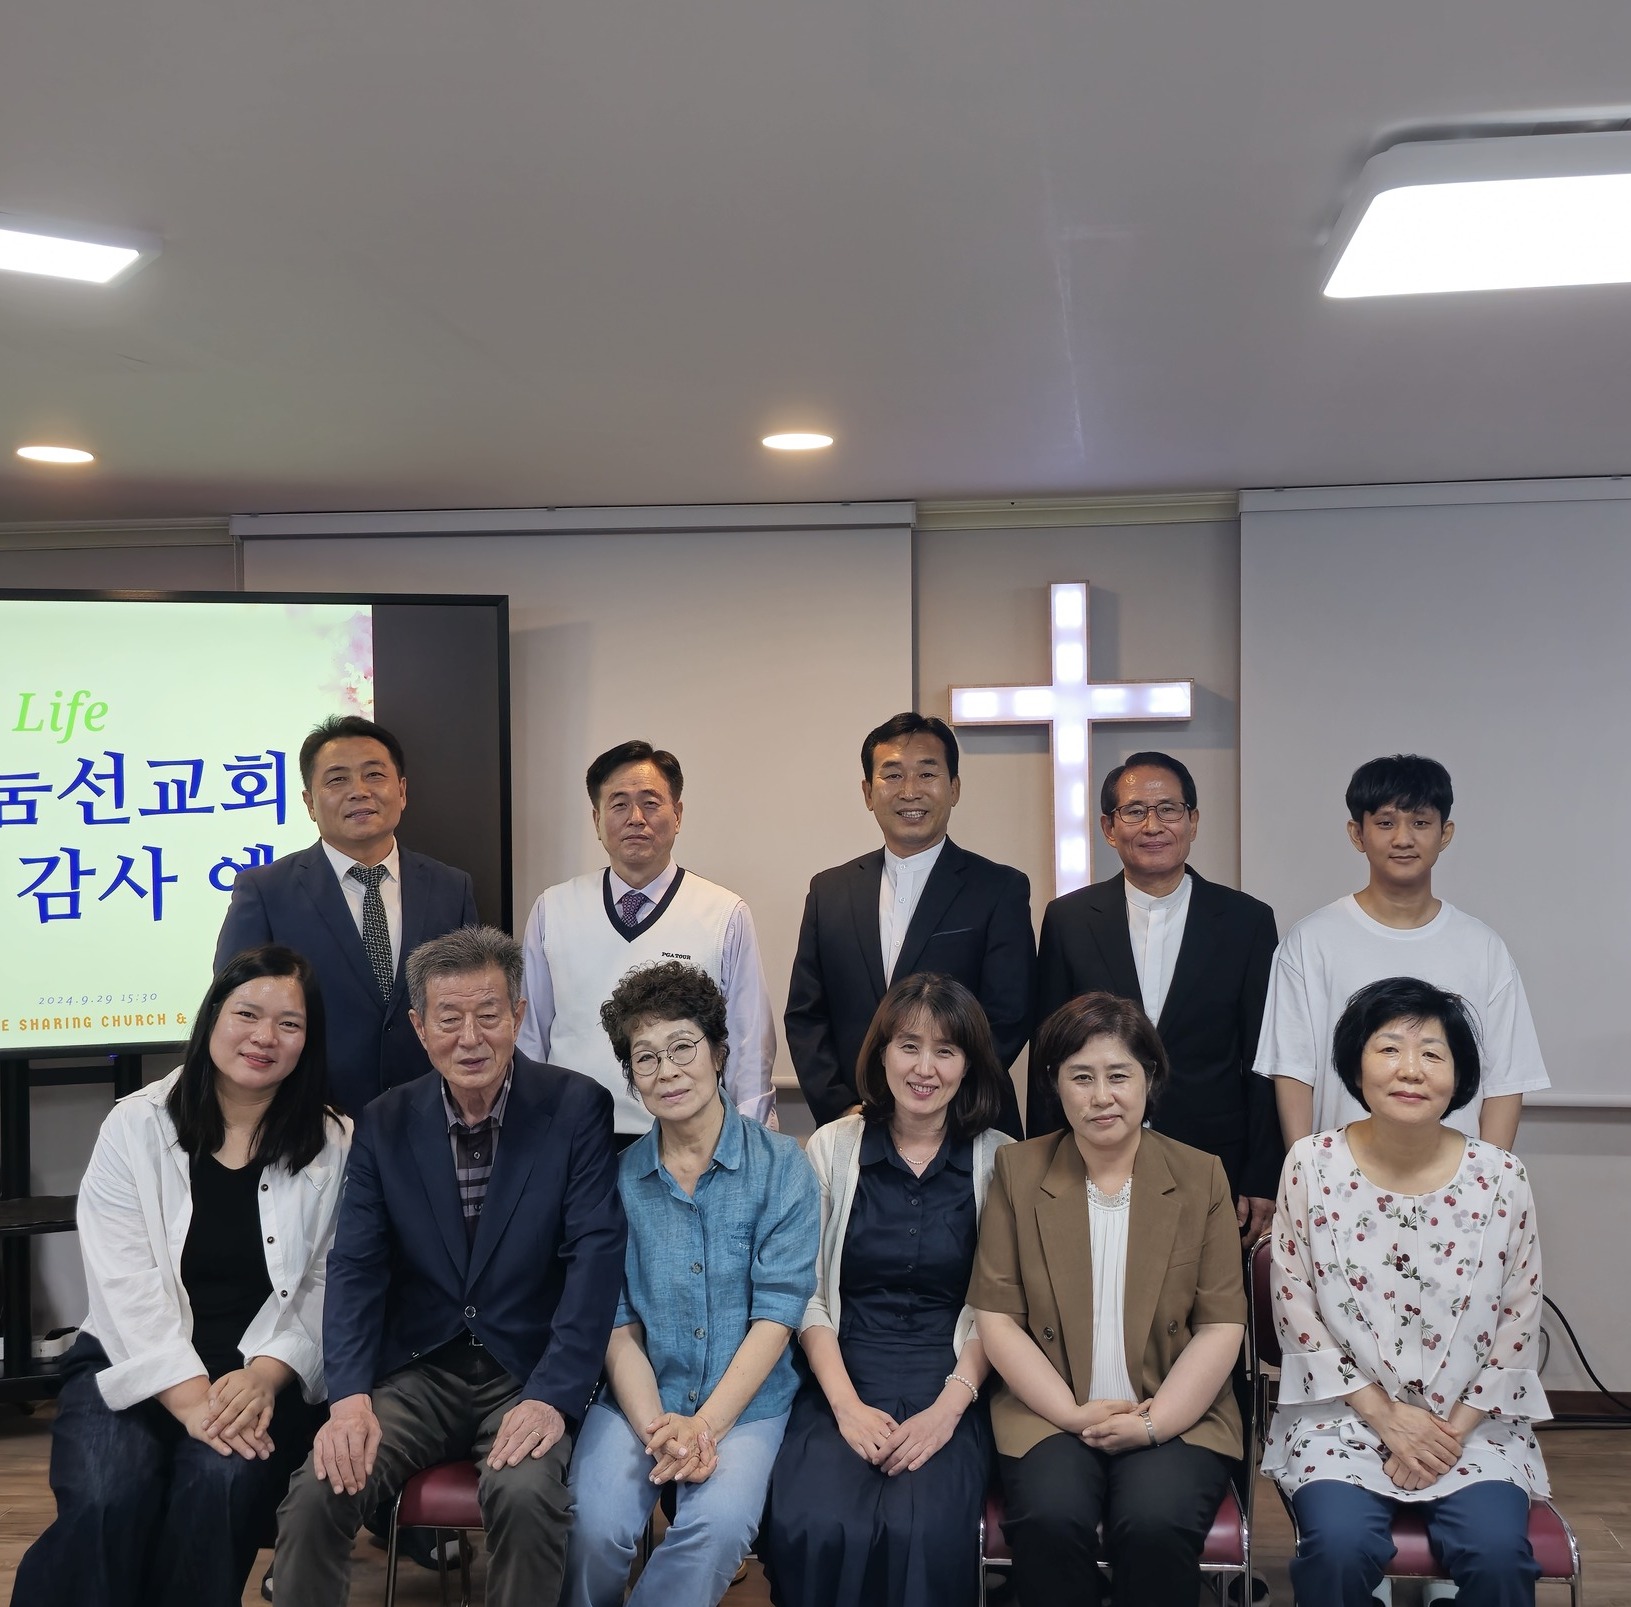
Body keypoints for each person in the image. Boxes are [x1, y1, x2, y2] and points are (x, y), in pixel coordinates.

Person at [273, 925, 627, 1607]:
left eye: (489, 1014)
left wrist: (554, 1394)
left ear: (518, 1014)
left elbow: (594, 1259)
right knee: (319, 1489)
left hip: (527, 1369)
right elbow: (356, 1267)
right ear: (418, 1026)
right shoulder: (384, 1121)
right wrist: (349, 1396)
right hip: (420, 1371)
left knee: (525, 1495)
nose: (471, 1038)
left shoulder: (575, 1107)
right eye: (448, 1018)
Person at [13, 946, 350, 1607]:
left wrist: (266, 1375)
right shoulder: (135, 1124)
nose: (264, 1036)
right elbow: (124, 1282)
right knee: (107, 1494)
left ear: (308, 1041)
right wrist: (192, 1402)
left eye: (289, 1023)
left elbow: (327, 1283)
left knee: (219, 1485)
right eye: (246, 1014)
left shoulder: (332, 1142)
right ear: (212, 1016)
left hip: (251, 1378)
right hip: (131, 1358)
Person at [1262, 976, 1551, 1607]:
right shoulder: (1310, 1164)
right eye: (1389, 1049)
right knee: (1336, 1551)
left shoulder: (1501, 1176)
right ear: (1355, 1065)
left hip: (1471, 1426)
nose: (1410, 1070)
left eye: (1432, 1054)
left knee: (1499, 1556)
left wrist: (1448, 1433)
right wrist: (1387, 1418)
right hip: (1344, 1419)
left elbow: (1519, 1319)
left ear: (1459, 1074)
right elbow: (1295, 1308)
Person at [970, 992, 1244, 1607]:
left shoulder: (1201, 1176)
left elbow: (1221, 1325)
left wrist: (1154, 1423)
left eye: (1119, 1076)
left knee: (1154, 1523)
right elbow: (998, 1318)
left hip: (1174, 1410)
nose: (1101, 1097)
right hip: (1049, 1409)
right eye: (1081, 1077)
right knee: (1050, 1518)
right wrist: (1071, 1415)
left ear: (1150, 1078)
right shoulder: (1018, 1171)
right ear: (1054, 1083)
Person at [563, 963, 819, 1606]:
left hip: (748, 1403)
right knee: (592, 1528)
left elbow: (777, 1316)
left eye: (682, 1047)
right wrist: (658, 1427)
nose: (668, 1071)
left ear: (718, 1052)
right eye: (645, 1058)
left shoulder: (782, 1166)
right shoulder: (615, 1180)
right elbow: (616, 1323)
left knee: (717, 1529)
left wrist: (703, 1427)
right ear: (632, 1078)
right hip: (641, 1397)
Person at [762, 973, 1013, 1607]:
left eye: (945, 1051)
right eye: (908, 1046)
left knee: (921, 1531)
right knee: (815, 1522)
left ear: (969, 1066)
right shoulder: (831, 1148)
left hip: (953, 1378)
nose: (924, 1068)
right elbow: (806, 1291)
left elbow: (999, 1307)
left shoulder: (1000, 1160)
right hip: (841, 1370)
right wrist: (845, 1405)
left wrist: (947, 1411)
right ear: (881, 1054)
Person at [1034, 749, 1282, 1241]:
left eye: (1168, 809)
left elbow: (1262, 1057)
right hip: (1090, 1153)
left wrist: (1261, 1173)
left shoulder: (1247, 921)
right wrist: (1045, 1161)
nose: (1153, 825)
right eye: (1134, 811)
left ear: (1193, 821)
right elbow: (1048, 1052)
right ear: (1109, 828)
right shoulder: (1069, 919)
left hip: (1213, 1158)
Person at [1255, 753, 1550, 1152]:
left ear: (1445, 833)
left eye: (1421, 823)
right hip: (1340, 1175)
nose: (1403, 839)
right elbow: (1293, 1073)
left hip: (1456, 1178)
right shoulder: (1310, 941)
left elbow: (1505, 1082)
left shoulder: (1483, 947)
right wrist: (1305, 1173)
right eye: (1385, 823)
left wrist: (1488, 1177)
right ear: (1357, 834)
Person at [214, 713, 480, 1115]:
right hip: (309, 1118)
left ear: (401, 791)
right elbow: (234, 1009)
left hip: (431, 1114)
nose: (359, 791)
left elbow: (471, 1000)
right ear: (309, 802)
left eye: (374, 775)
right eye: (337, 779)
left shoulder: (451, 887)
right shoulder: (266, 891)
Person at [786, 712, 1033, 1136]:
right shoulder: (829, 891)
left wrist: (935, 1101)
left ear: (954, 788)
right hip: (857, 1125)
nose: (910, 791)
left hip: (966, 1125)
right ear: (868, 792)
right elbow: (807, 1015)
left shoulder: (999, 888)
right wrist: (843, 1108)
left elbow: (1009, 1015)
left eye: (927, 773)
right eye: (893, 775)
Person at [519, 739, 777, 1141]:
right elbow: (530, 1037)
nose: (635, 818)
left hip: (688, 1141)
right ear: (597, 820)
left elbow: (749, 1046)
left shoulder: (724, 914)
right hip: (573, 1139)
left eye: (650, 803)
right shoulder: (553, 909)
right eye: (619, 804)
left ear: (678, 815)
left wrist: (751, 1144)